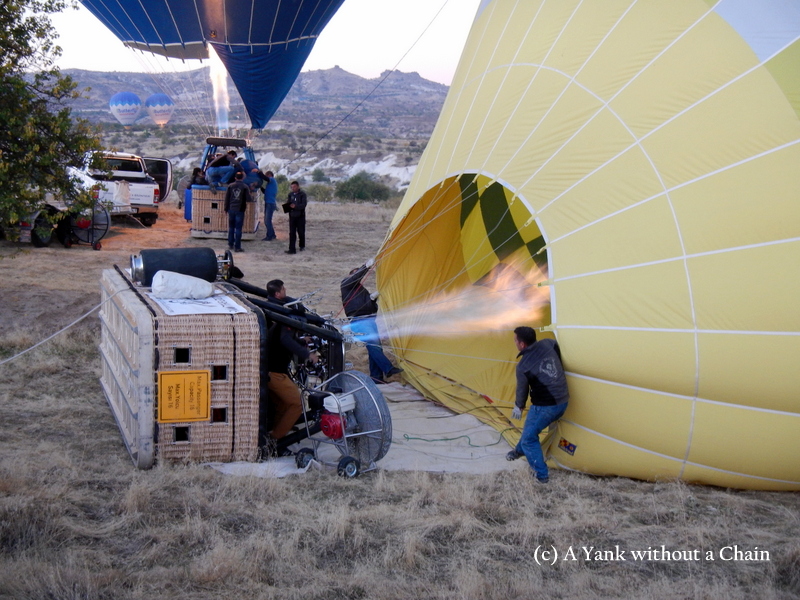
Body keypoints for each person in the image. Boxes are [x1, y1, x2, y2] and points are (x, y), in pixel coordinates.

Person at [506, 326, 569, 483]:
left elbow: (522, 390)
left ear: (522, 345)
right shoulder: (548, 344)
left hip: (546, 407)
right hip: (564, 400)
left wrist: (518, 406)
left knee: (529, 438)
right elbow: (557, 347)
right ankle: (518, 452)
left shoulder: (523, 366)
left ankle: (541, 476)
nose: (514, 342)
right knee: (530, 428)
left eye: (515, 340)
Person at [264, 284, 319, 453]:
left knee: (282, 404)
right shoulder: (285, 327)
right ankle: (276, 440)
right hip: (274, 374)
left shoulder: (281, 326)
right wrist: (307, 354)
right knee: (296, 404)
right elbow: (286, 341)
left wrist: (303, 341)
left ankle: (275, 432)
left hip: (271, 372)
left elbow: (288, 339)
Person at [341, 260, 402, 384]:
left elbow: (372, 308)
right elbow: (355, 277)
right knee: (373, 345)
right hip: (359, 320)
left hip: (369, 320)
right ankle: (388, 368)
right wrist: (366, 266)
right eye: (355, 273)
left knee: (375, 348)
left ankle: (376, 378)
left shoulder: (361, 291)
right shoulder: (345, 285)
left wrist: (372, 299)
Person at [224, 171, 252, 253]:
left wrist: (225, 209)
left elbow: (227, 198)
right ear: (242, 178)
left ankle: (230, 244)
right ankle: (237, 247)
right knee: (238, 229)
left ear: (235, 177)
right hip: (240, 210)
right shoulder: (245, 187)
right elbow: (248, 199)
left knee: (231, 227)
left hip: (231, 209)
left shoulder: (230, 186)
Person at [284, 180, 307, 254]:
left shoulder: (302, 194)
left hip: (300, 216)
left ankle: (302, 246)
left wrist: (296, 206)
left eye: (294, 187)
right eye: (292, 187)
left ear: (298, 186)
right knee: (292, 233)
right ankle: (292, 249)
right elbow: (288, 203)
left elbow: (303, 205)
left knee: (301, 232)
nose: (293, 188)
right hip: (292, 216)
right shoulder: (290, 194)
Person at [262, 170, 278, 241]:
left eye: (266, 175)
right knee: (268, 220)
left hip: (270, 203)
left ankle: (269, 236)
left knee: (267, 220)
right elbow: (265, 192)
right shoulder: (270, 184)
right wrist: (260, 186)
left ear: (269, 175)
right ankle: (272, 234)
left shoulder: (272, 180)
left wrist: (259, 172)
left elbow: (266, 178)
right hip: (269, 203)